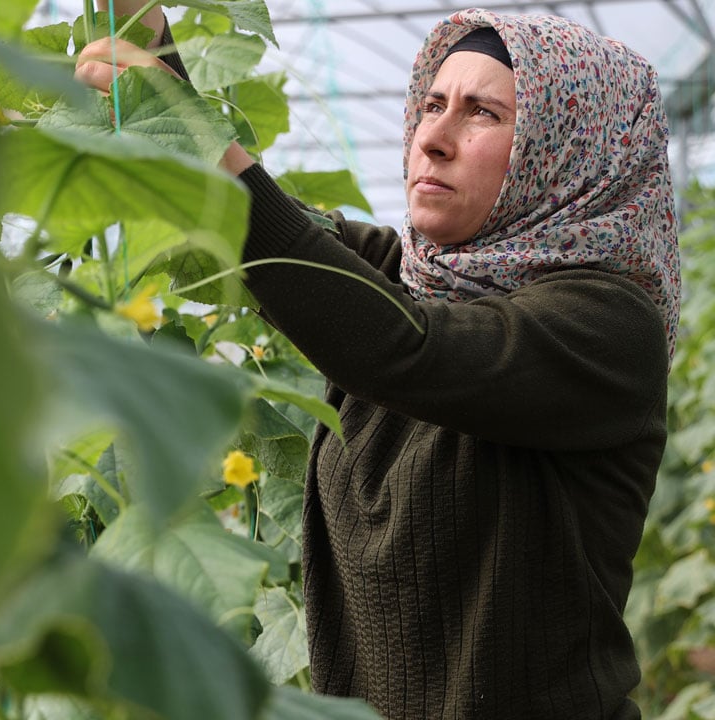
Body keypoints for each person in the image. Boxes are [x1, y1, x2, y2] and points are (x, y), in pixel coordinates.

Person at [75, 7, 680, 720]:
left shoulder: (607, 325)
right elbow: (294, 245)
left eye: (482, 112)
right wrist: (163, 72)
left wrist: (202, 143)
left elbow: (402, 345)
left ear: (564, 149)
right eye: (431, 103)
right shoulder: (412, 279)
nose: (433, 137)